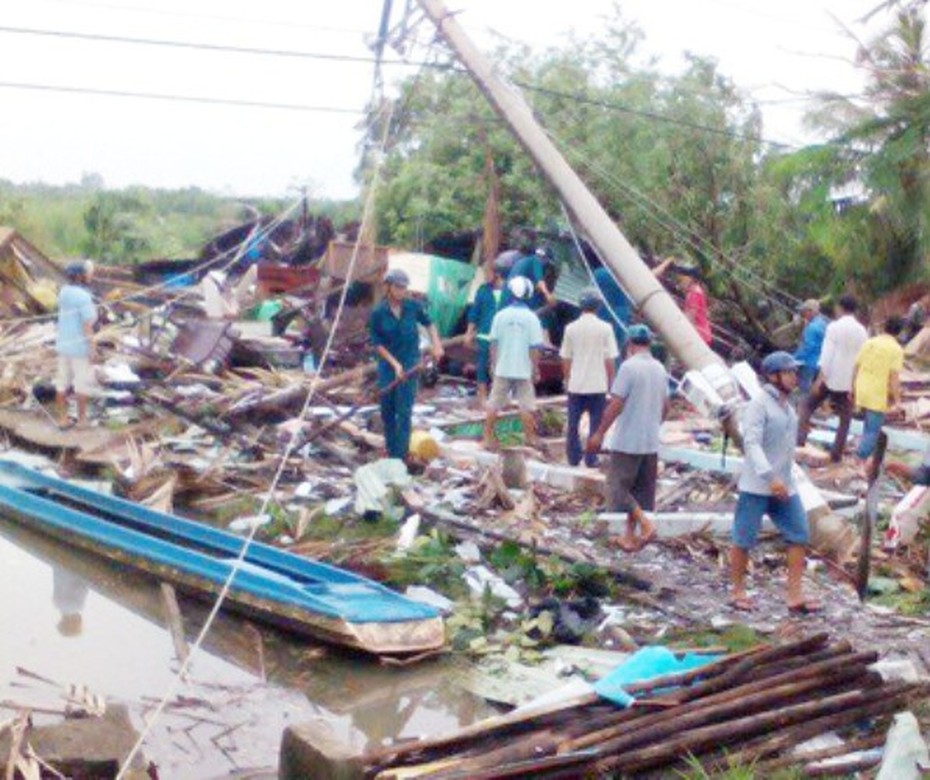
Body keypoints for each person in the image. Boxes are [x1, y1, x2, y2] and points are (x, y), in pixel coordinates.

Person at [730, 351, 819, 614]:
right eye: (789, 372)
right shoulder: (759, 404)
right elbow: (752, 443)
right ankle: (737, 591)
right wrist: (769, 476)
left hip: (784, 484)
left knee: (799, 534)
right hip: (757, 484)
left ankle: (794, 594)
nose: (794, 377)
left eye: (794, 372)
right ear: (772, 376)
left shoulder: (787, 407)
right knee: (744, 538)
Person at [586, 324, 668, 552]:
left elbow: (616, 404)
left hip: (628, 440)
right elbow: (666, 406)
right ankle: (629, 536)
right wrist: (653, 425)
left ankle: (645, 524)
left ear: (629, 344)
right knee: (640, 492)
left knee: (617, 488)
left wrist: (599, 433)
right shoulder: (660, 368)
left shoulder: (628, 368)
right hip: (650, 441)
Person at [369, 268, 444, 462]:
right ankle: (391, 449)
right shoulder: (378, 312)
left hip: (411, 363)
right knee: (387, 411)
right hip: (387, 366)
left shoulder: (413, 306)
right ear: (388, 287)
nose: (401, 291)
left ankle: (400, 458)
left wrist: (436, 344)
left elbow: (429, 323)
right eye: (397, 287)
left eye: (404, 287)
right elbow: (377, 344)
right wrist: (395, 365)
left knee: (404, 412)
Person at [797, 294, 868, 462]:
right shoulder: (862, 331)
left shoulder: (834, 327)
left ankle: (799, 441)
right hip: (849, 381)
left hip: (830, 377)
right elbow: (861, 359)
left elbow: (827, 355)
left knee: (807, 405)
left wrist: (820, 379)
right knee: (845, 419)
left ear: (840, 308)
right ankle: (836, 454)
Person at [484, 276, 544, 451]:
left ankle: (487, 437)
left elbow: (493, 344)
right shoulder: (532, 318)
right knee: (526, 405)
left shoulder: (500, 316)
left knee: (494, 403)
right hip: (524, 370)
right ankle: (530, 438)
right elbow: (535, 348)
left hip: (502, 367)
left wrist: (493, 365)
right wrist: (535, 369)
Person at [560, 286, 619, 467]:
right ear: (598, 306)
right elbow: (609, 360)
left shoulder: (571, 328)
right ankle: (591, 458)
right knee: (596, 425)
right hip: (597, 385)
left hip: (576, 385)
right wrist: (611, 382)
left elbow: (566, 358)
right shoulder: (605, 328)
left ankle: (573, 457)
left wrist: (567, 379)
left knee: (573, 425)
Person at [852, 315, 905, 470]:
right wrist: (897, 400)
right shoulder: (896, 349)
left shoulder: (869, 343)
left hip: (862, 388)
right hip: (877, 393)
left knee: (867, 427)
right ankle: (859, 459)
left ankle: (862, 455)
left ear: (884, 327)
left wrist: (852, 388)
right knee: (873, 430)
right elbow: (893, 378)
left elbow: (856, 367)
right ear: (899, 332)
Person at [55, 260, 97, 429]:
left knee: (61, 384)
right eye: (86, 274)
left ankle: (62, 419)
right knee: (81, 384)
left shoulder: (63, 292)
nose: (89, 276)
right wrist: (92, 348)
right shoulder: (84, 297)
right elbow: (87, 326)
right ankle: (81, 421)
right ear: (80, 276)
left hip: (63, 344)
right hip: (79, 348)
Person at [465, 254, 508, 408]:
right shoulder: (482, 290)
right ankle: (482, 397)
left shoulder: (508, 290)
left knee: (500, 366)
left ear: (496, 273)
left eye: (486, 272)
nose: (484, 275)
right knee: (482, 366)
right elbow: (474, 313)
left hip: (503, 336)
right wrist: (469, 332)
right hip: (484, 334)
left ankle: (499, 396)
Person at [654, 258, 713, 345]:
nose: (679, 279)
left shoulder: (694, 293)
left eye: (681, 278)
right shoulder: (693, 291)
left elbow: (689, 319)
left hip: (700, 338)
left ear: (690, 278)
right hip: (701, 336)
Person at [593, 265, 631, 357]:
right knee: (615, 350)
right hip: (619, 317)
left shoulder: (598, 273)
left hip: (601, 315)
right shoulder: (627, 274)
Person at [793, 299, 829, 395]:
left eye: (804, 311)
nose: (802, 314)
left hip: (809, 364)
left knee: (804, 392)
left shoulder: (812, 328)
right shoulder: (823, 323)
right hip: (821, 364)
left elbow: (807, 348)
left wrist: (793, 359)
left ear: (810, 311)